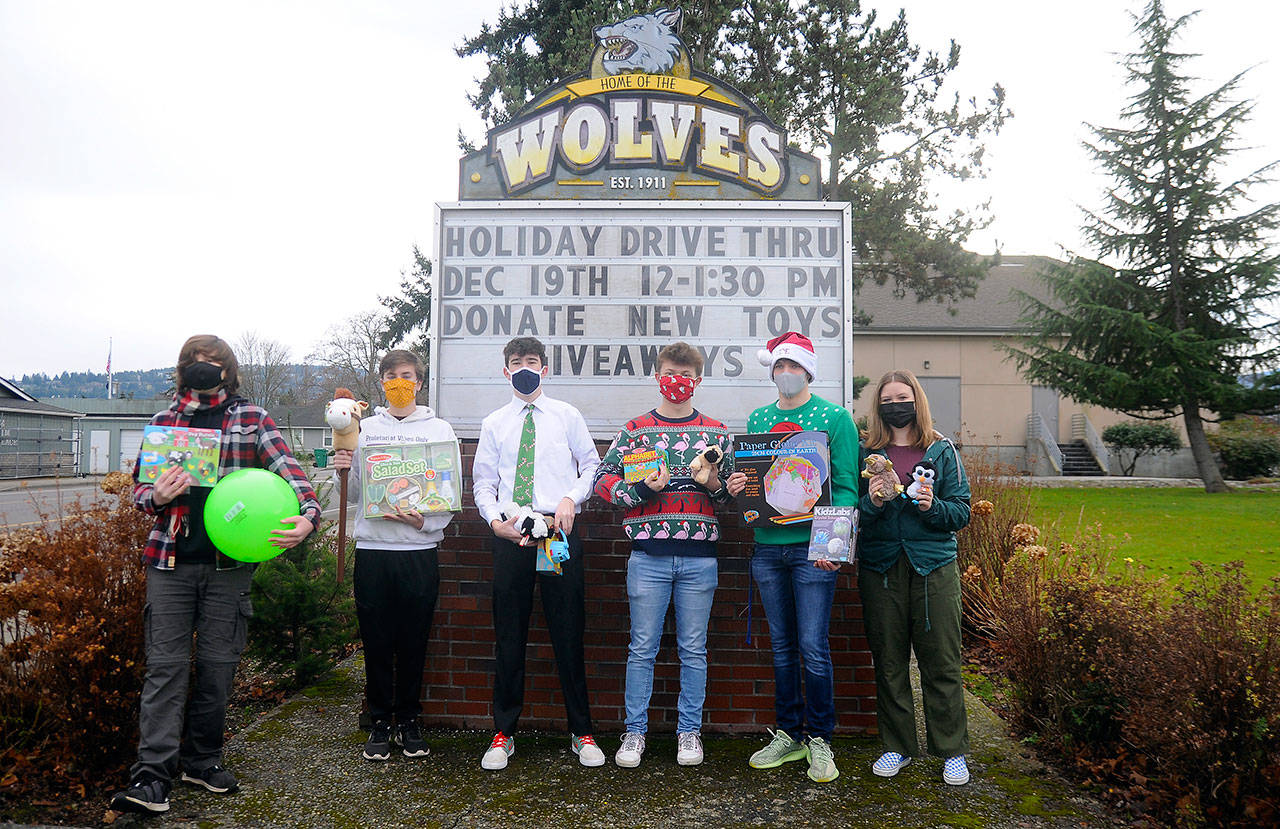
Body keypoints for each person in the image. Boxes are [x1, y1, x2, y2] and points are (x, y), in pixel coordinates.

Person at [110, 335, 319, 816]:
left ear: (229, 370)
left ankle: (202, 761)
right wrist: (157, 495)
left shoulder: (252, 419)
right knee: (165, 669)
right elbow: (140, 492)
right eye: (195, 361)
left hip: (228, 568)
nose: (203, 367)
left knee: (218, 667)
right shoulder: (163, 423)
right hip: (170, 564)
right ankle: (151, 777)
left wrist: (309, 517)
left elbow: (294, 479)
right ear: (182, 369)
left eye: (213, 361)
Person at [725, 331, 859, 783]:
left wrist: (832, 545)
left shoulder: (835, 418)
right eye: (779, 366)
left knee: (813, 647)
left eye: (793, 366)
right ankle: (788, 733)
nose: (785, 373)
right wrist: (739, 486)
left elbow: (845, 484)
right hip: (767, 547)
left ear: (808, 371)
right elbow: (752, 480)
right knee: (781, 646)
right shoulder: (760, 417)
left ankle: (819, 738)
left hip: (812, 551)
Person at [593, 342, 732, 768]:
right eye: (671, 372)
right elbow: (602, 482)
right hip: (648, 556)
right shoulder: (635, 430)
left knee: (694, 650)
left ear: (698, 380)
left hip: (699, 557)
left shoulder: (717, 432)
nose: (677, 381)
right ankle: (634, 733)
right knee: (642, 648)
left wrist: (713, 484)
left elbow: (731, 495)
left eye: (686, 375)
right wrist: (640, 489)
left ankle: (689, 733)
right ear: (658, 376)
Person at [471, 336, 604, 769]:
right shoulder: (494, 423)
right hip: (513, 536)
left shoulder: (567, 416)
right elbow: (484, 482)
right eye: (516, 362)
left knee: (568, 632)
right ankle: (503, 733)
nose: (524, 368)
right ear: (505, 370)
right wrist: (495, 522)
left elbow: (592, 466)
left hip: (556, 537)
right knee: (510, 636)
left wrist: (569, 498)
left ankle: (581, 732)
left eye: (531, 361)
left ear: (544, 369)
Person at [331, 349, 457, 762]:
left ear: (419, 382)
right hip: (374, 551)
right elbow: (350, 494)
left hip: (419, 551)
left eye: (406, 375)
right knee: (377, 642)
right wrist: (342, 468)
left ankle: (409, 720)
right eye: (390, 376)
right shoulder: (363, 429)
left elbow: (449, 490)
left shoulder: (439, 429)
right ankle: (380, 721)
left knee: (415, 642)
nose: (398, 382)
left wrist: (426, 524)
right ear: (382, 382)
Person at [857, 369, 972, 786]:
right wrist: (873, 503)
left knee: (941, 661)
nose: (895, 406)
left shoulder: (941, 450)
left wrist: (931, 506)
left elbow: (961, 511)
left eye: (902, 398)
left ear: (916, 400)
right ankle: (897, 745)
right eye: (887, 400)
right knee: (889, 662)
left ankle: (951, 750)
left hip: (933, 567)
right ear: (879, 407)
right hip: (881, 568)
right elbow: (854, 512)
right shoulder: (866, 452)